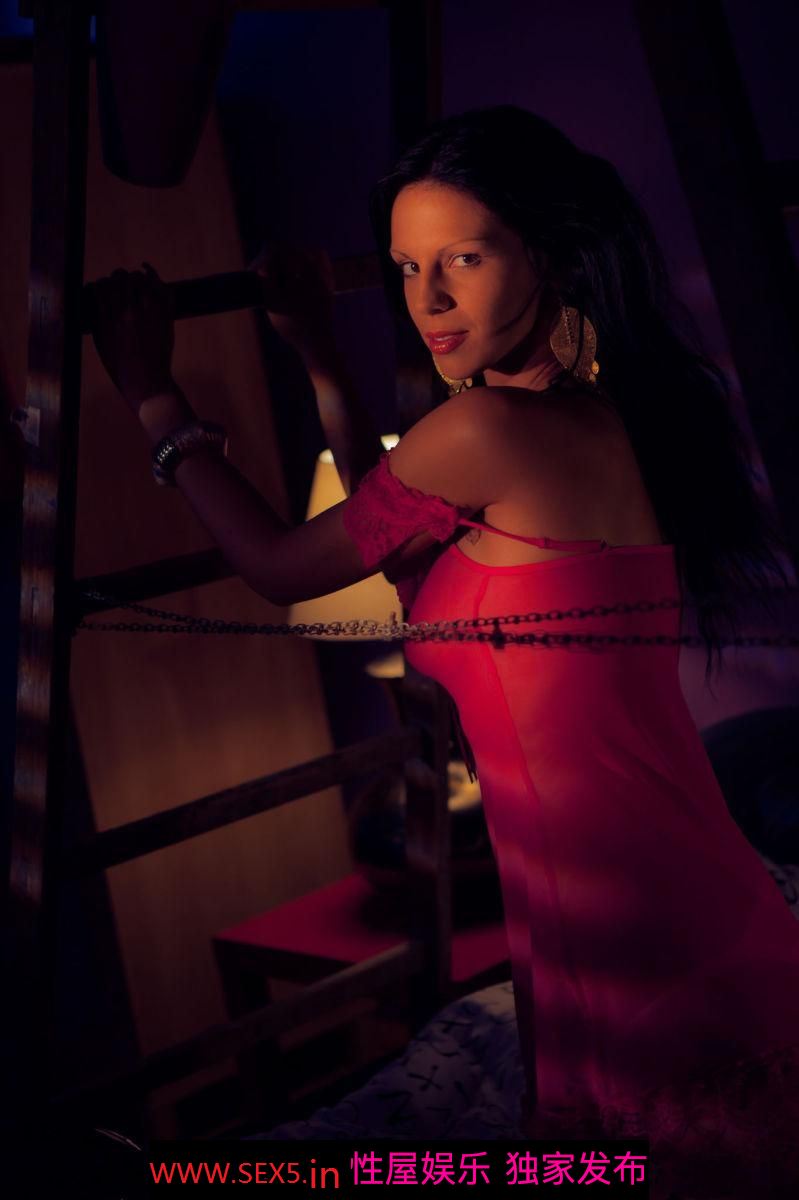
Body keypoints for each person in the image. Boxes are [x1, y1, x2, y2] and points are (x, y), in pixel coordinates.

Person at [91, 105, 799, 1197]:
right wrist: (322, 359)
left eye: (462, 259)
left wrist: (155, 399)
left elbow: (279, 566)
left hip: (638, 926)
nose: (426, 300)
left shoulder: (486, 432)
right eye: (406, 267)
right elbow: (410, 563)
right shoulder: (581, 417)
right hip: (627, 907)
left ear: (549, 252)